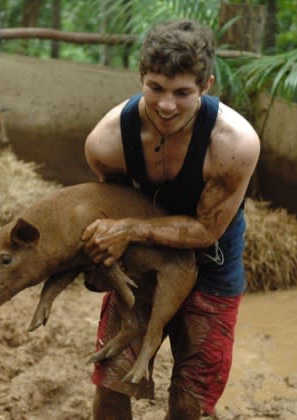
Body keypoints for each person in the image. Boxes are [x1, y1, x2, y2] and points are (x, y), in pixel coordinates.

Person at [82, 18, 260, 419]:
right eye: (156, 88)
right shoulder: (107, 142)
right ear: (141, 76)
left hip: (212, 264)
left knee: (190, 401)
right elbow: (112, 206)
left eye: (182, 92)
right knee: (112, 383)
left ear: (207, 86)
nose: (166, 104)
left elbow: (206, 229)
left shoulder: (234, 144)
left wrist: (127, 230)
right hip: (143, 264)